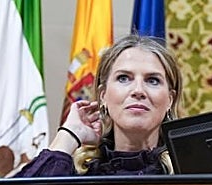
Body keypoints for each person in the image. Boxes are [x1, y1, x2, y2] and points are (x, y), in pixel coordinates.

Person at [14, 35, 183, 177]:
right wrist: (68, 136)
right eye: (124, 78)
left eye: (152, 80)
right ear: (103, 96)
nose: (138, 91)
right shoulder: (76, 171)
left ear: (170, 99)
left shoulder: (189, 170)